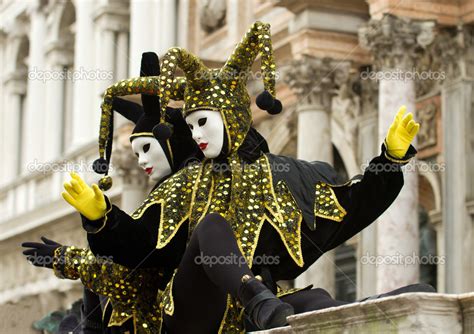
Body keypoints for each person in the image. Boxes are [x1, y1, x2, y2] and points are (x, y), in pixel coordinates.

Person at [61, 21, 424, 332]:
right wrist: (102, 219)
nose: (197, 134)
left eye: (203, 122)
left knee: (317, 298)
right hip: (191, 313)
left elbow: (353, 204)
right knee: (210, 229)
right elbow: (138, 246)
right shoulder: (182, 185)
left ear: (231, 116)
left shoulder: (281, 176)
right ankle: (256, 299)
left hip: (261, 316)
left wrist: (390, 159)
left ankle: (383, 308)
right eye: (190, 125)